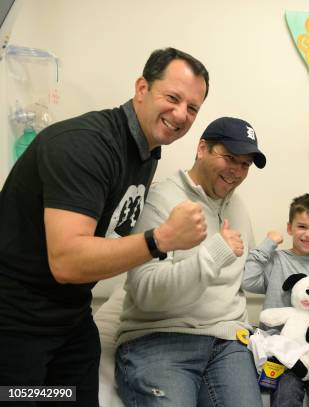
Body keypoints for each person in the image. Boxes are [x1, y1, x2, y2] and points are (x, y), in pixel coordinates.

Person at [0, 47, 209, 406]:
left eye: (192, 108)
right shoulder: (86, 145)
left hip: (71, 320)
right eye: (173, 98)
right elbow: (67, 261)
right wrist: (162, 239)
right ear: (141, 88)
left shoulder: (146, 152)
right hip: (17, 324)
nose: (181, 114)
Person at [114, 117, 267, 407]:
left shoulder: (238, 206)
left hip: (227, 342)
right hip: (161, 337)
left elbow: (245, 277)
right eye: (230, 158)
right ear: (201, 148)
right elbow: (145, 292)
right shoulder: (161, 199)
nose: (237, 171)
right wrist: (213, 253)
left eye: (245, 164)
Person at [242, 194, 309, 407]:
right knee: (287, 394)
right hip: (280, 349)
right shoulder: (276, 260)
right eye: (302, 226)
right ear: (289, 228)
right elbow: (247, 281)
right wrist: (268, 244)